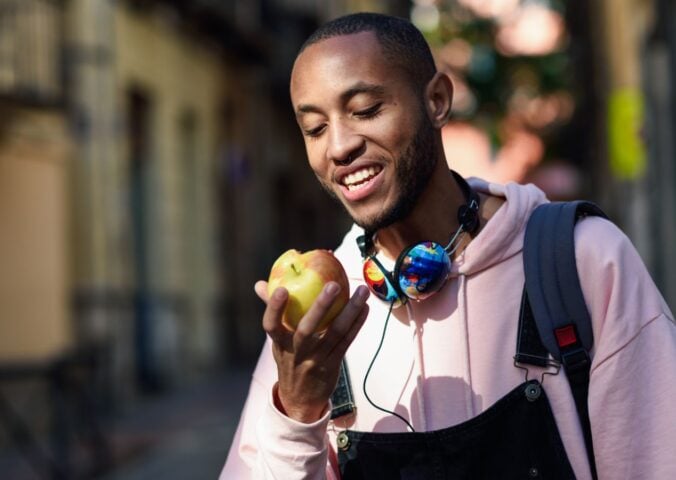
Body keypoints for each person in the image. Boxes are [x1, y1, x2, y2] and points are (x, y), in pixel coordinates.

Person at [221, 12, 676, 480]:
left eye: (365, 110)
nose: (338, 147)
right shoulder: (320, 318)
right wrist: (297, 412)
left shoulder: (580, 260)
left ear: (436, 100)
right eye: (315, 129)